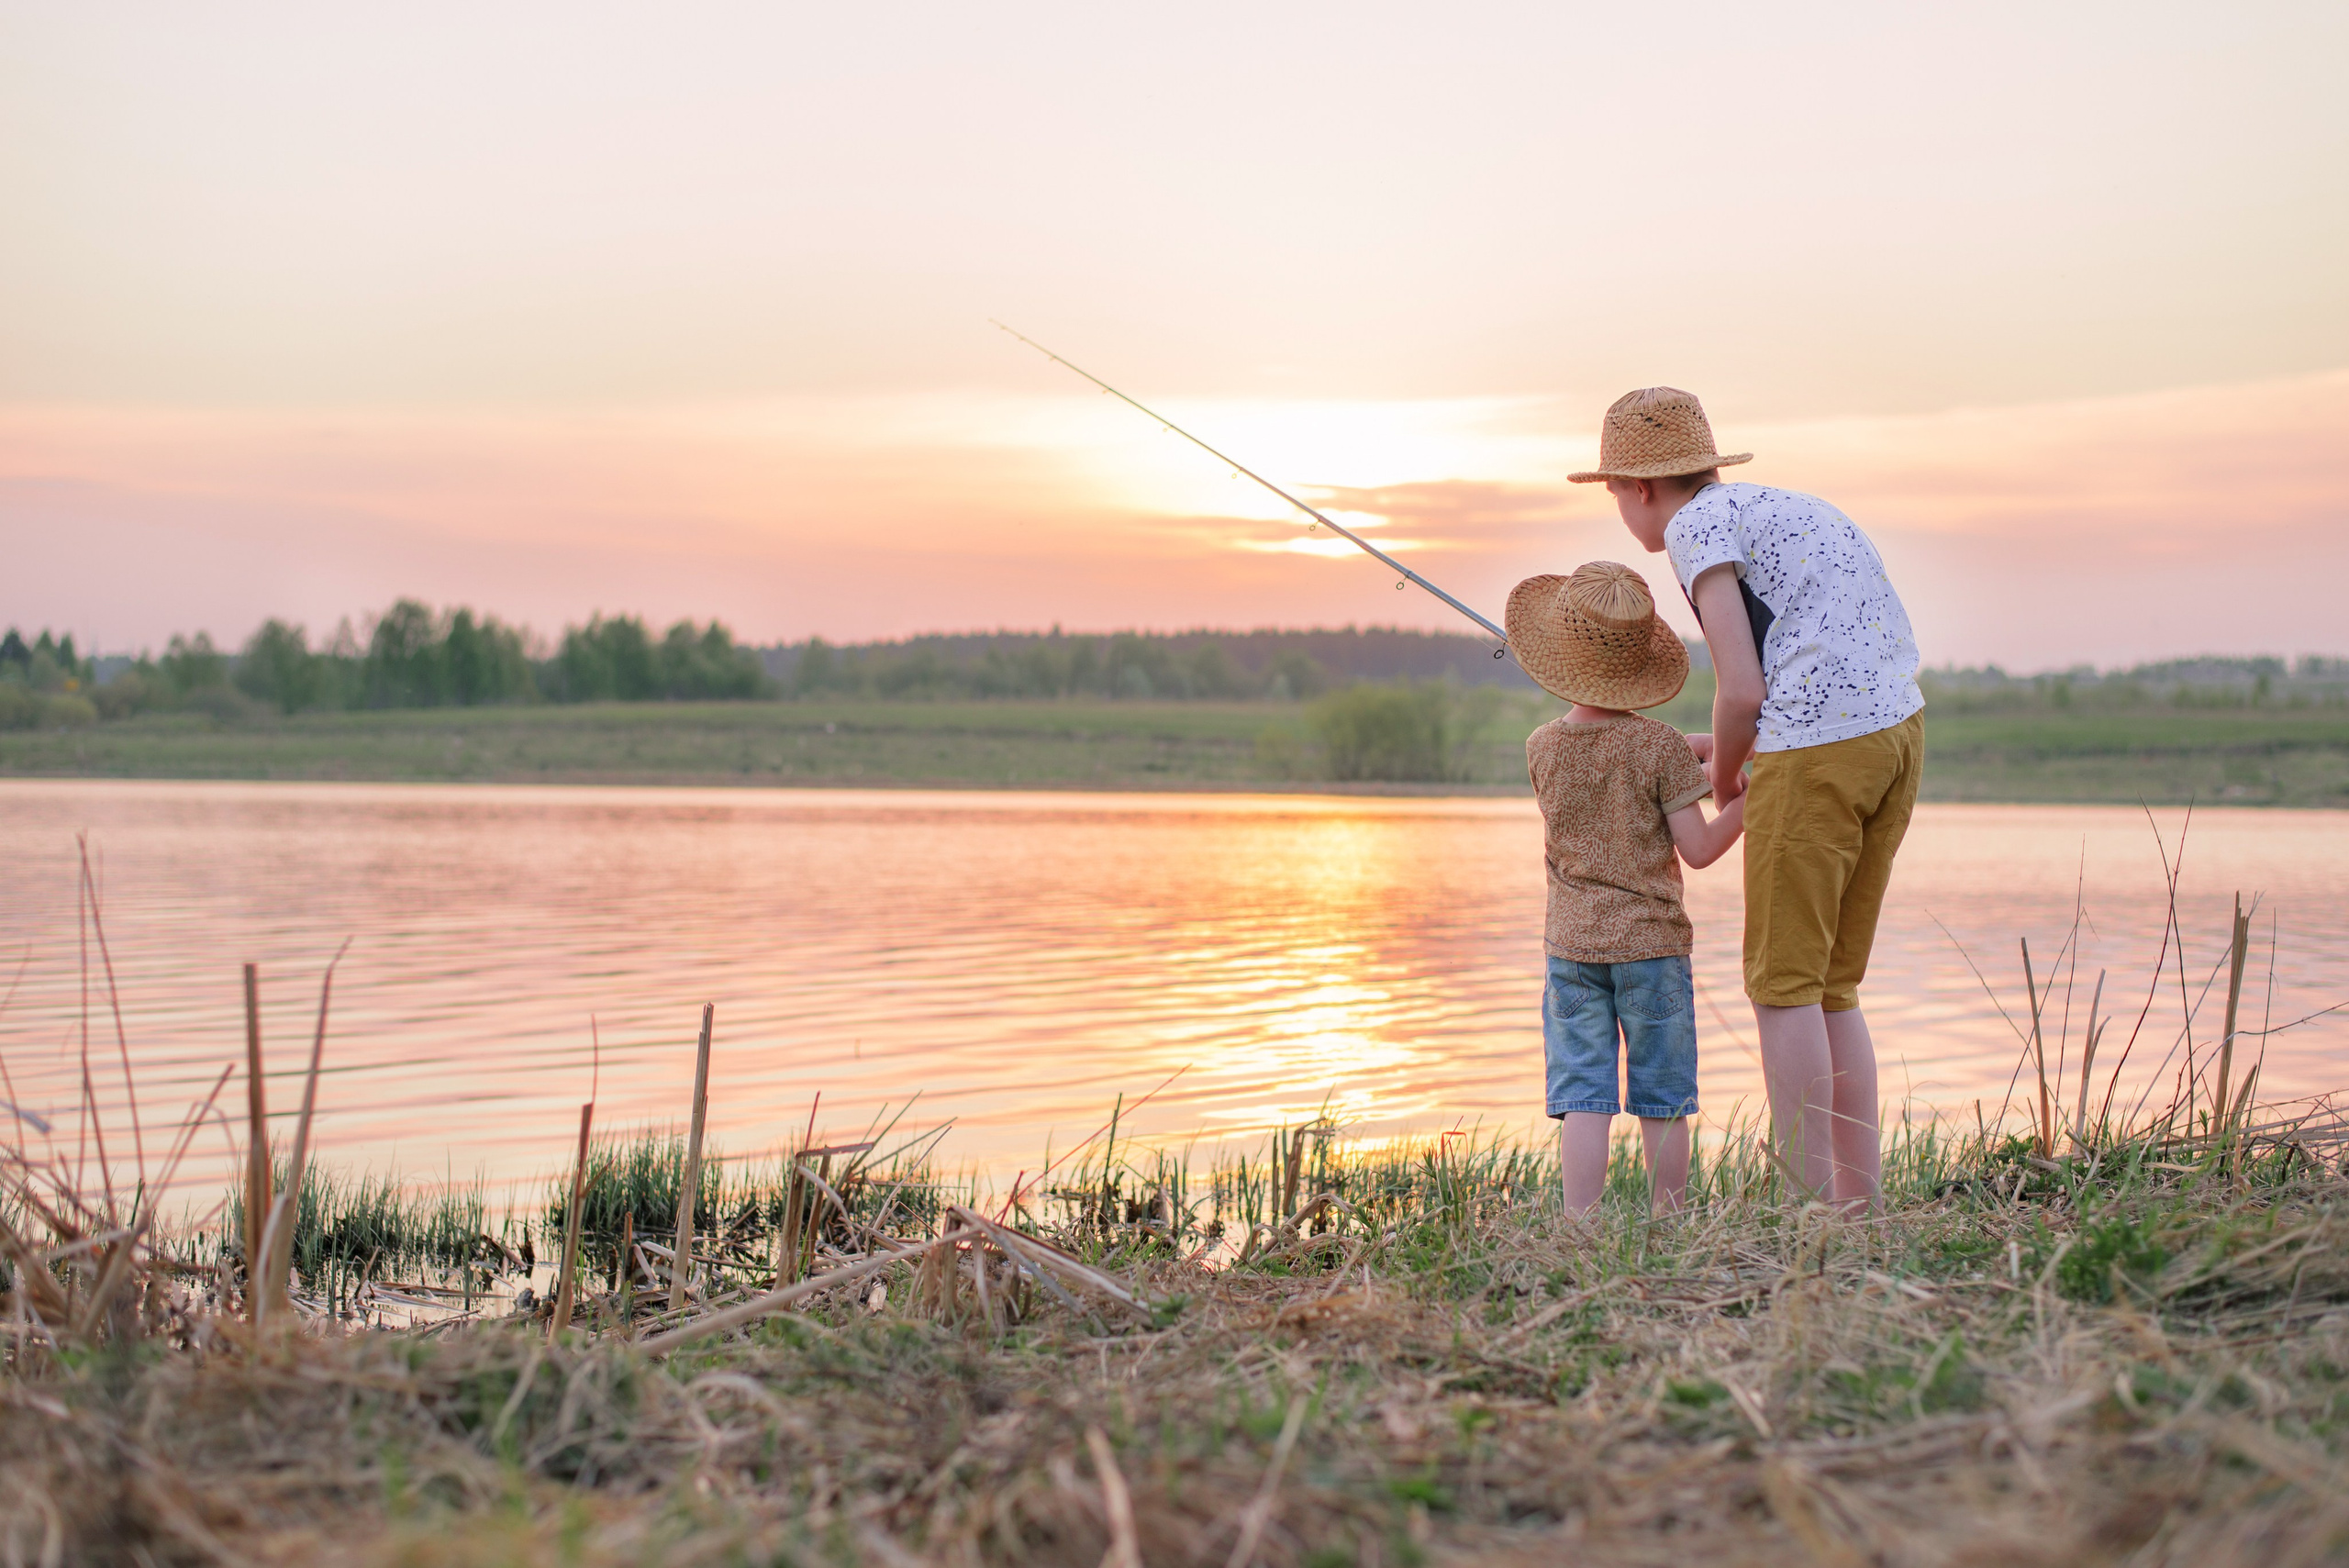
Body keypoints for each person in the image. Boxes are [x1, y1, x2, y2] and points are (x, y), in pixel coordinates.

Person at [1571, 387, 1924, 1206]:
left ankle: (1805, 1205)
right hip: (1896, 737)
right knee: (1832, 986)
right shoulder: (1784, 510)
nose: (1621, 509)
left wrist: (1728, 777)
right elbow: (1810, 667)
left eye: (1616, 492)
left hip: (1819, 751)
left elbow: (1741, 690)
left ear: (1642, 488)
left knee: (1783, 985)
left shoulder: (1693, 529)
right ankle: (1858, 1203)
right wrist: (1735, 748)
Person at [1506, 561, 1745, 1216]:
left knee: (1584, 1095)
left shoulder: (1540, 747)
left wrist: (1685, 753)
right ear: (1639, 661)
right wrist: (1749, 805)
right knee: (1661, 1097)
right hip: (1651, 950)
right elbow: (1699, 849)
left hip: (1572, 949)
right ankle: (1667, 1223)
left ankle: (1579, 1228)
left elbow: (1607, 758)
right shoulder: (1660, 748)